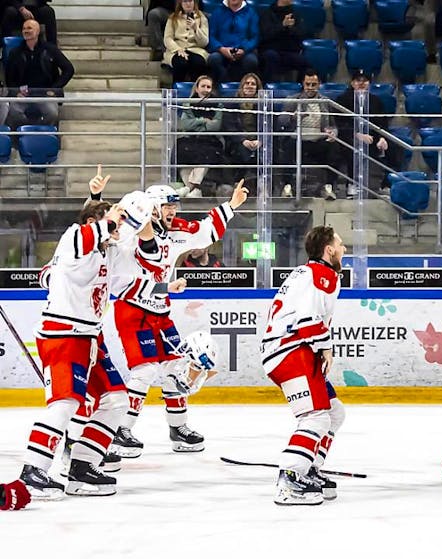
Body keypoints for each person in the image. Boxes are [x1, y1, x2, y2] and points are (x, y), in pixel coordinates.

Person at [15, 177, 136, 500]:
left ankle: (82, 467)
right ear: (92, 222)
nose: (115, 229)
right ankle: (33, 469)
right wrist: (105, 210)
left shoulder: (107, 254)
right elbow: (84, 239)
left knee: (116, 400)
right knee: (66, 402)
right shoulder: (73, 238)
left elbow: (133, 275)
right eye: (109, 222)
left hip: (90, 338)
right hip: (63, 334)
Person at [108, 183, 249, 459]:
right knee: (145, 370)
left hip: (160, 311)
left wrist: (231, 205)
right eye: (167, 206)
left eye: (174, 206)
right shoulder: (128, 236)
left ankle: (178, 428)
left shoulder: (174, 232)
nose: (173, 211)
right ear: (152, 209)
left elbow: (204, 231)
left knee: (177, 367)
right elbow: (122, 284)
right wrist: (165, 288)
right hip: (132, 310)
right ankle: (120, 430)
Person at [261, 225, 347, 505]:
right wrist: (325, 347)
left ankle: (308, 467)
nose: (344, 249)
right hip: (291, 350)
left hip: (290, 348)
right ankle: (290, 478)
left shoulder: (305, 272)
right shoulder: (323, 275)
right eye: (341, 244)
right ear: (329, 249)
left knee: (334, 412)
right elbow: (308, 318)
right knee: (315, 417)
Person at [331, 69, 398, 198]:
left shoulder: (376, 101)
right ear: (352, 83)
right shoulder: (343, 100)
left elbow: (382, 123)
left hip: (372, 138)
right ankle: (351, 184)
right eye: (358, 81)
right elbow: (340, 123)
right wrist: (357, 135)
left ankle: (386, 185)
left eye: (364, 81)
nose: (361, 84)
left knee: (394, 147)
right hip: (349, 137)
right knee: (350, 147)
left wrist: (382, 138)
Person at [4, 19, 73, 129]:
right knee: (13, 113)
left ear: (37, 31)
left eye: (29, 28)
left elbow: (69, 69)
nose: (26, 31)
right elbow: (9, 76)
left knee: (52, 113)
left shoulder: (50, 49)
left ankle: (42, 134)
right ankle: (25, 133)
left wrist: (55, 88)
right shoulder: (15, 52)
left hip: (45, 94)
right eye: (24, 28)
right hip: (23, 95)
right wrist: (16, 92)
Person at [280, 69, 337, 199]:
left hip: (318, 139)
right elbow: (281, 121)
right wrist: (293, 117)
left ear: (319, 85)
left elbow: (333, 125)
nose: (310, 88)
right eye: (308, 84)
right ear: (303, 84)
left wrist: (332, 132)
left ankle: (328, 187)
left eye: (314, 84)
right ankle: (287, 187)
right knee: (287, 147)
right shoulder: (293, 100)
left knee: (334, 148)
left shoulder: (326, 102)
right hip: (297, 139)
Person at [176, 75, 224, 197]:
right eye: (203, 86)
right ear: (196, 88)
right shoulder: (188, 103)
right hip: (191, 138)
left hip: (210, 139)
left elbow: (216, 126)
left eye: (209, 87)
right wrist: (203, 120)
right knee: (180, 149)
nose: (206, 89)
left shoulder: (218, 104)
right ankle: (194, 189)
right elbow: (185, 124)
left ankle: (190, 188)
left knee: (207, 151)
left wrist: (196, 124)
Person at [221, 72, 262, 189]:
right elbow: (229, 126)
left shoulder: (263, 104)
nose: (249, 86)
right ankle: (241, 184)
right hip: (238, 140)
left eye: (253, 84)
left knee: (265, 152)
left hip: (258, 140)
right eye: (247, 83)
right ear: (242, 86)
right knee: (242, 152)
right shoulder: (232, 103)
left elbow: (269, 125)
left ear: (257, 88)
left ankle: (259, 185)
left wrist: (260, 140)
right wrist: (243, 140)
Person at [206, 0, 259, 83]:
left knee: (251, 61)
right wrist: (221, 49)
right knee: (214, 59)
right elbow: (211, 36)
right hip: (222, 50)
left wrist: (244, 49)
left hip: (243, 51)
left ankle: (242, 87)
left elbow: (255, 37)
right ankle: (223, 86)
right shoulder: (217, 12)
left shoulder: (251, 13)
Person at [259, 0, 308, 84]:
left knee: (304, 62)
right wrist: (282, 26)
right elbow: (266, 34)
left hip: (289, 51)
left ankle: (300, 90)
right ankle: (269, 88)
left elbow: (301, 34)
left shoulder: (295, 14)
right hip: (271, 50)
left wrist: (291, 28)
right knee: (271, 56)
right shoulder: (267, 13)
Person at [163, 0, 209, 85]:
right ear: (181, 3)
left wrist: (196, 29)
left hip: (195, 49)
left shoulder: (202, 18)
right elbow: (168, 38)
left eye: (190, 1)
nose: (188, 4)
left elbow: (204, 42)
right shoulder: (173, 18)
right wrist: (177, 49)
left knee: (198, 63)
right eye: (185, 1)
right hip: (177, 49)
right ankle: (177, 89)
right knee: (180, 62)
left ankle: (195, 90)